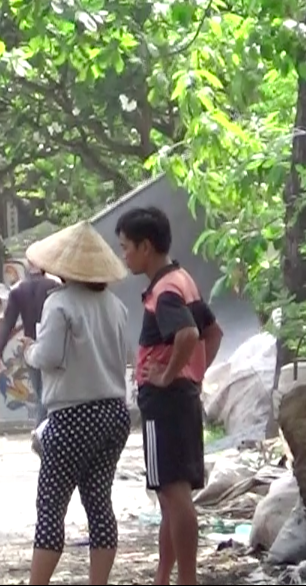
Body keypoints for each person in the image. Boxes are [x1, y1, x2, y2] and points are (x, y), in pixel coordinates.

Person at [20, 222, 134, 585]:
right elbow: (125, 355)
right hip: (114, 413)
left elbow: (50, 355)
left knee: (51, 506)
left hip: (72, 415)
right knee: (99, 503)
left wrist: (29, 352)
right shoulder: (116, 306)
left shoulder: (60, 304)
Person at [116, 206, 225, 586]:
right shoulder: (182, 280)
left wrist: (168, 374)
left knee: (175, 494)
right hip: (181, 397)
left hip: (166, 403)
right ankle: (164, 576)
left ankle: (187, 579)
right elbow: (214, 333)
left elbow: (190, 335)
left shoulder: (164, 292)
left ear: (146, 247)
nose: (124, 255)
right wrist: (194, 373)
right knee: (167, 495)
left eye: (126, 247)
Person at [0, 262, 62, 424]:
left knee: (40, 393)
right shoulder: (55, 286)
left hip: (30, 347)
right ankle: (48, 431)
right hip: (54, 345)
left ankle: (42, 431)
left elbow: (8, 322)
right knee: (52, 394)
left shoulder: (18, 290)